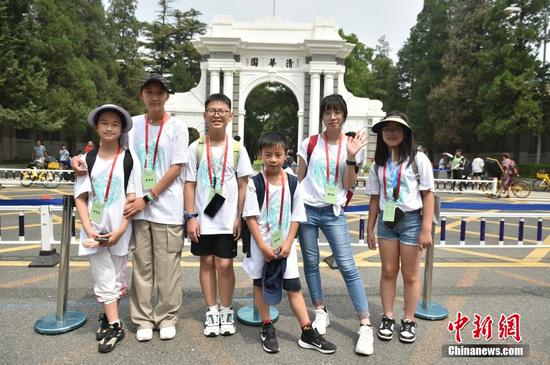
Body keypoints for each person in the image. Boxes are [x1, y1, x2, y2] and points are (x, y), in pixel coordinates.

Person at [73, 74, 189, 341]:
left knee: (168, 267)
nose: (154, 97)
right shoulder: (132, 125)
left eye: (159, 92)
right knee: (142, 266)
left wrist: (146, 198)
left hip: (166, 208)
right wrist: (78, 159)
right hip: (134, 212)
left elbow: (175, 168)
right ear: (142, 96)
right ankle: (143, 318)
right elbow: (109, 150)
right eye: (149, 92)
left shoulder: (177, 127)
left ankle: (167, 316)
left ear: (167, 96)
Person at [243, 131, 336, 354]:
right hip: (260, 246)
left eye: (278, 154)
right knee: (260, 284)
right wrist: (263, 246)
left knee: (294, 287)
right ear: (260, 156)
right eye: (268, 155)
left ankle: (307, 331)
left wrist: (288, 242)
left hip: (285, 246)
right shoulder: (255, 184)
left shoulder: (293, 183)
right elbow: (251, 218)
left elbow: (297, 216)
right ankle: (266, 326)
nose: (273, 160)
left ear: (286, 155)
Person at [296, 94, 373, 355]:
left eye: (337, 111)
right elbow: (300, 179)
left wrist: (351, 157)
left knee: (348, 266)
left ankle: (364, 324)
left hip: (333, 211)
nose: (332, 116)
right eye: (328, 111)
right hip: (307, 210)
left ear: (344, 115)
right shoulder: (310, 143)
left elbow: (350, 184)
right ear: (322, 115)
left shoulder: (353, 146)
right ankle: (320, 310)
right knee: (311, 262)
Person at [184, 93, 253, 337]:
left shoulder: (236, 149)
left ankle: (226, 308)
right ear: (205, 115)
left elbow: (244, 184)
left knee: (224, 265)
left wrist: (239, 217)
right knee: (207, 262)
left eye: (221, 111)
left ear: (230, 116)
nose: (216, 114)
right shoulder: (196, 148)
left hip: (227, 220)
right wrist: (190, 216)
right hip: (202, 219)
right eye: (212, 110)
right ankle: (211, 310)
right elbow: (189, 184)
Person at [365, 111, 435, 344]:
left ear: (405, 133)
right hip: (387, 221)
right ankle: (388, 317)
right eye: (387, 129)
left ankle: (408, 319)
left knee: (410, 273)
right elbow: (375, 198)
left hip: (411, 221)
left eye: (396, 129)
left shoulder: (418, 159)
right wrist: (369, 228)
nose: (391, 133)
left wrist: (426, 228)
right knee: (388, 271)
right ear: (382, 133)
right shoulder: (379, 163)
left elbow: (428, 195)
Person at [74, 104, 136, 353]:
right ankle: (115, 324)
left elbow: (132, 199)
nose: (109, 128)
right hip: (95, 230)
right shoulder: (87, 160)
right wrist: (89, 229)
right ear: (97, 127)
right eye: (105, 123)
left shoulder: (129, 159)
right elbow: (81, 197)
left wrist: (121, 230)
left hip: (119, 231)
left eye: (115, 124)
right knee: (102, 277)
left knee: (117, 277)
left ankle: (108, 317)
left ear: (121, 129)